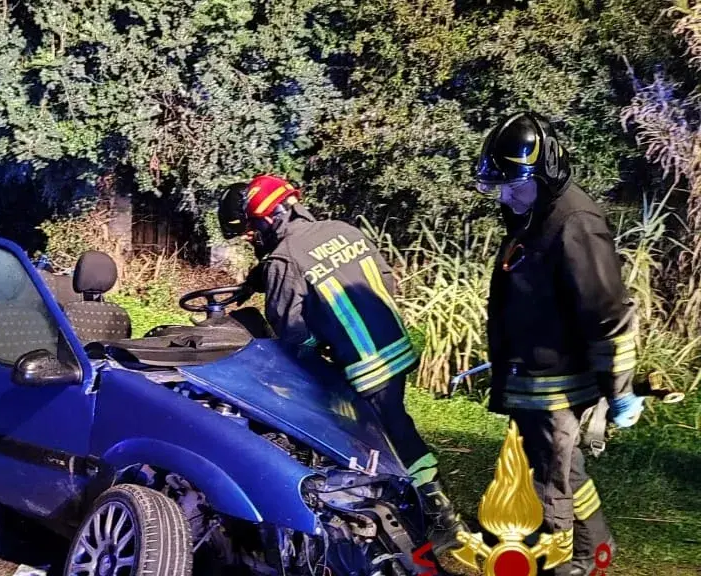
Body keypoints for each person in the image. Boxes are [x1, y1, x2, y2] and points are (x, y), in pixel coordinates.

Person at [218, 174, 468, 556]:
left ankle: (434, 516)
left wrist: (307, 353)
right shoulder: (342, 230)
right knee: (395, 424)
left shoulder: (285, 259)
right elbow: (387, 280)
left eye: (252, 229)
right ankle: (431, 504)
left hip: (362, 364)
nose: (251, 237)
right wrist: (253, 284)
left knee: (376, 436)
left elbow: (293, 333)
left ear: (268, 220)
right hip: (394, 346)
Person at [475, 111, 644, 575]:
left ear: (546, 172)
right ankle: (596, 549)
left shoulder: (574, 222)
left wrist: (620, 389)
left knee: (553, 481)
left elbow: (607, 311)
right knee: (563, 472)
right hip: (533, 377)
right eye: (501, 186)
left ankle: (566, 561)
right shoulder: (534, 214)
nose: (507, 196)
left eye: (515, 185)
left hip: (557, 386)